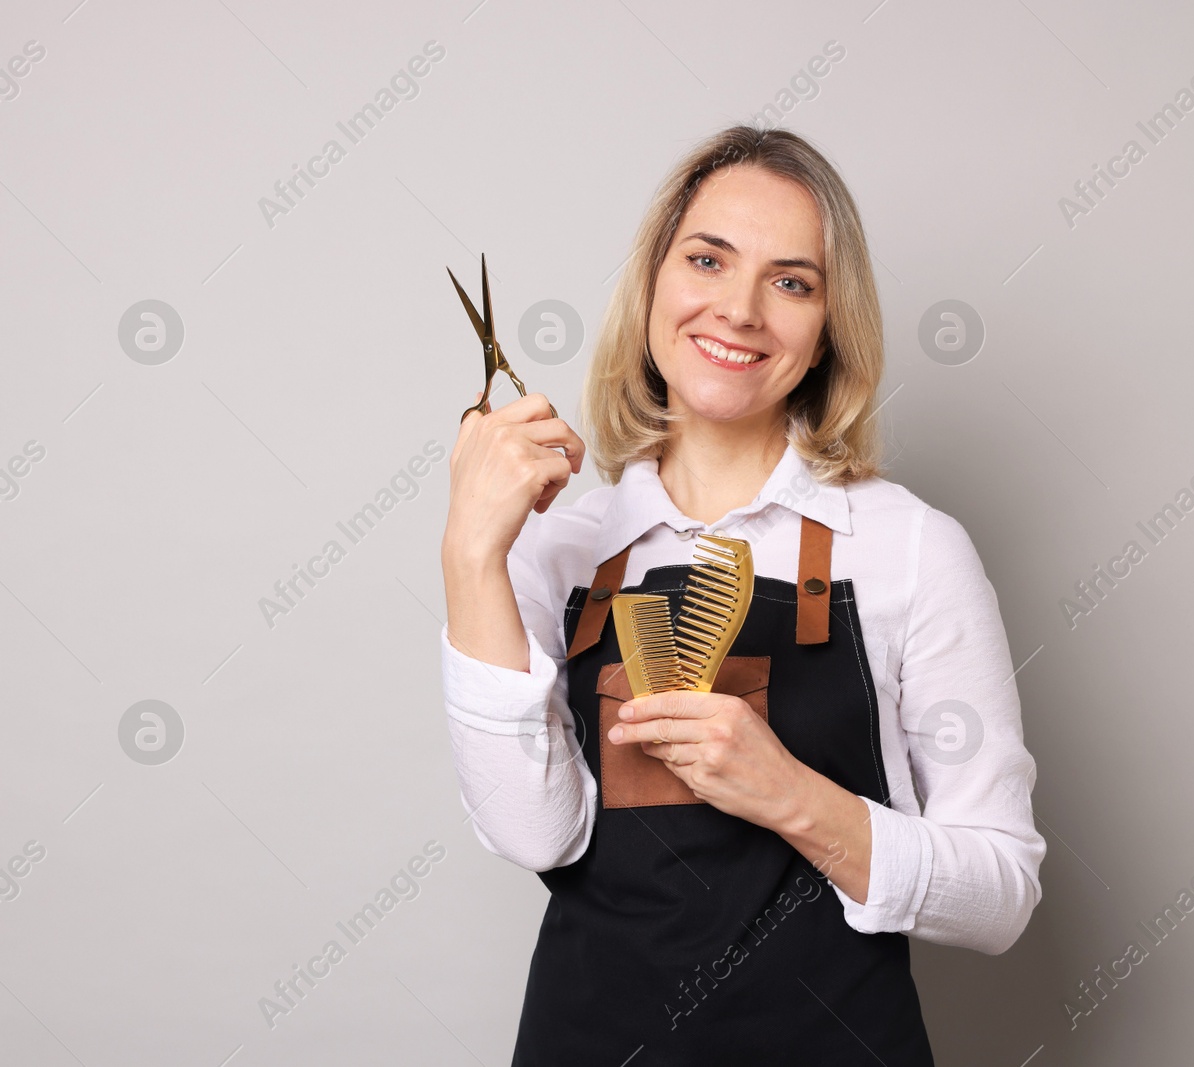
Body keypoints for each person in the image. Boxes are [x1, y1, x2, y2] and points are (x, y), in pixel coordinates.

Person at [439, 125, 1045, 1065]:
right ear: (652, 283)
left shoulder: (909, 547)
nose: (740, 309)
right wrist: (470, 552)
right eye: (708, 259)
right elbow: (534, 832)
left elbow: (1001, 894)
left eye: (791, 281)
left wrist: (790, 794)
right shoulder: (554, 548)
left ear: (828, 329)